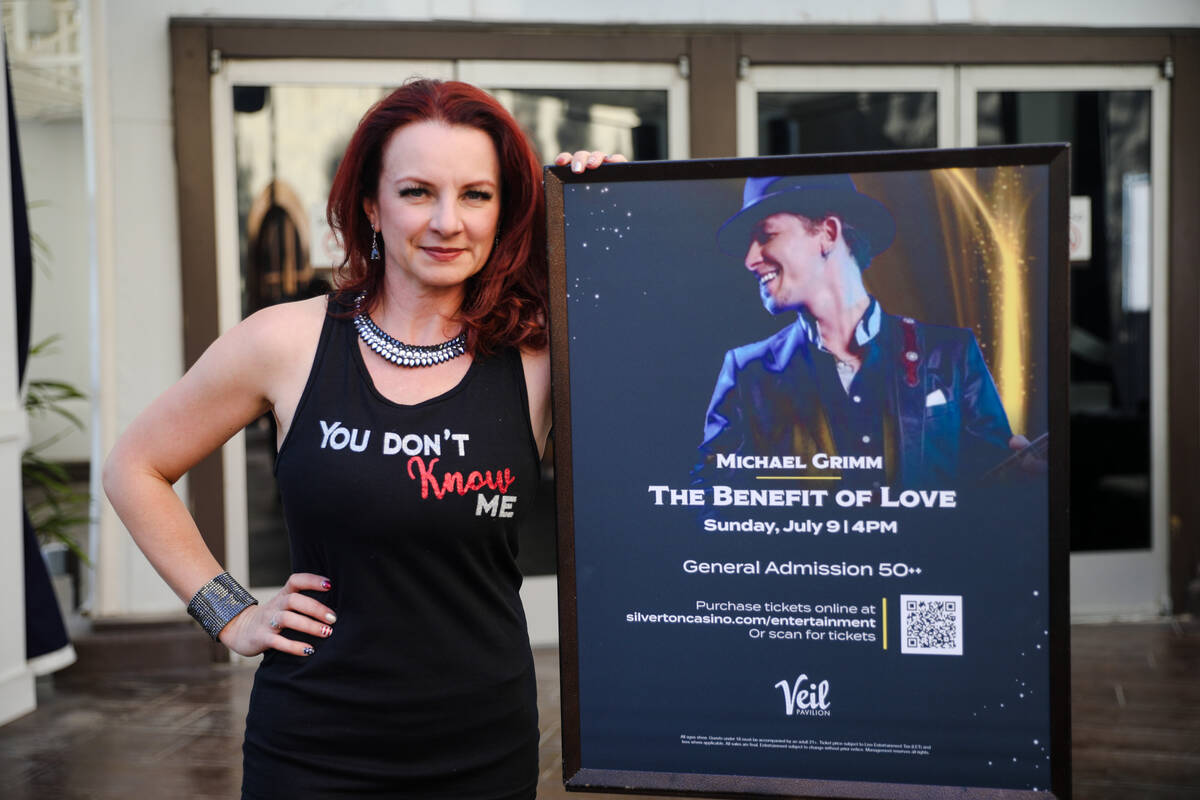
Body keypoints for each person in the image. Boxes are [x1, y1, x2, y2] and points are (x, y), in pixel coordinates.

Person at [103, 79, 622, 799]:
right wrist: (230, 613)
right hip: (312, 745)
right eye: (417, 192)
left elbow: (671, 381)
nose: (448, 221)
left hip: (482, 745)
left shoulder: (539, 356)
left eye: (477, 194)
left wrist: (611, 216)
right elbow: (136, 466)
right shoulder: (284, 342)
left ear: (504, 211)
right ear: (373, 205)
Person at [697, 173, 1027, 489]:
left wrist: (1022, 480)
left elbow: (992, 488)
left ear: (827, 233)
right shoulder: (746, 372)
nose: (750, 259)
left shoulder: (953, 354)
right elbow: (710, 498)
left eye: (766, 235)